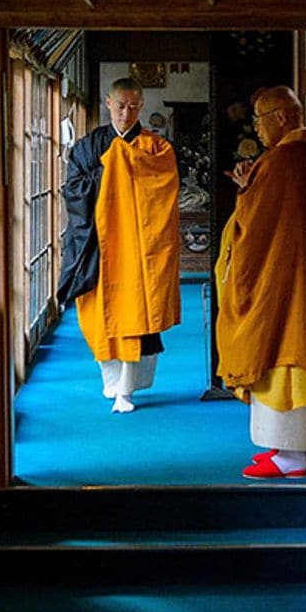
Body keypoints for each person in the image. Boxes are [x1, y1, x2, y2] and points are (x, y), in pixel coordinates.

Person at [215, 86, 306, 479]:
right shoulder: (297, 155)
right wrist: (250, 189)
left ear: (282, 117)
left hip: (281, 280)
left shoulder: (288, 160)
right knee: (284, 351)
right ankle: (289, 448)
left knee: (283, 355)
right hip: (288, 274)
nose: (258, 131)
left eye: (261, 121)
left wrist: (245, 193)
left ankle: (293, 456)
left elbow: (257, 224)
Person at [55, 77, 181, 414]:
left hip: (139, 251)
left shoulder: (157, 149)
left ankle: (127, 388)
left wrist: (124, 166)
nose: (126, 113)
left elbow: (163, 190)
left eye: (133, 106)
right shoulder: (88, 146)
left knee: (135, 319)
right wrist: (111, 171)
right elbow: (73, 189)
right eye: (120, 105)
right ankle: (112, 384)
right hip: (98, 246)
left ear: (142, 106)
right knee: (99, 319)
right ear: (108, 103)